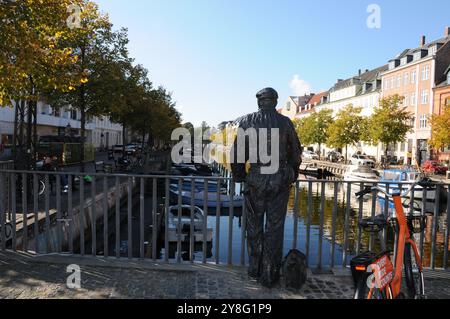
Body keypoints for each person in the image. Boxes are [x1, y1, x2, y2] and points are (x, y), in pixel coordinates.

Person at [230, 87, 302, 287]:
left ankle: (254, 270)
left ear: (259, 102)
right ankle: (270, 275)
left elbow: (237, 155)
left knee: (253, 227)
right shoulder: (285, 122)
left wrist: (240, 177)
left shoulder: (247, 121)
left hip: (256, 179)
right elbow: (296, 153)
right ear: (275, 102)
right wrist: (292, 174)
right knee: (275, 228)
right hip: (279, 180)